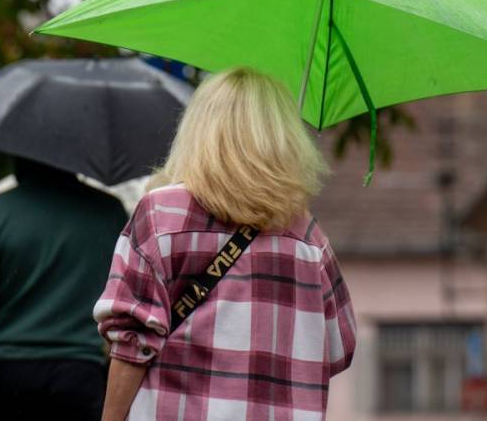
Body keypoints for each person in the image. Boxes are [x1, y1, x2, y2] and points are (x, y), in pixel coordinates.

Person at [96, 66, 357, 421]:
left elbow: (132, 340)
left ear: (199, 129)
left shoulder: (160, 214)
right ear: (282, 138)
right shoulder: (308, 238)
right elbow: (340, 347)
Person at [0, 156, 129, 421]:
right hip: (80, 373)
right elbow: (126, 294)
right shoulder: (109, 212)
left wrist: (11, 302)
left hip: (8, 376)